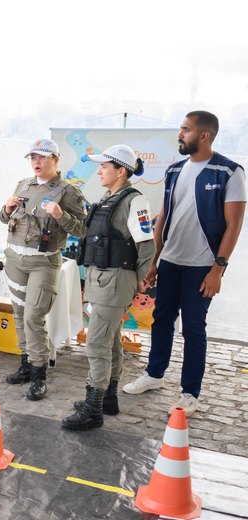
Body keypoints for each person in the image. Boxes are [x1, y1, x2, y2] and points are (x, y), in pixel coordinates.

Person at [123, 111, 246, 416]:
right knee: (161, 319)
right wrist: (153, 262)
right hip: (171, 262)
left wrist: (218, 270)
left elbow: (234, 226)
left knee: (193, 328)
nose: (180, 134)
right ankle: (154, 375)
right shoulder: (175, 169)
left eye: (185, 130)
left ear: (204, 135)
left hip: (202, 267)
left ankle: (190, 393)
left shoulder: (229, 172)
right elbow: (163, 218)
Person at [61, 145, 154, 430]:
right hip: (102, 280)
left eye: (104, 167)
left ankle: (93, 408)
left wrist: (135, 278)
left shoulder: (133, 202)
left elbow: (147, 247)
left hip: (114, 282)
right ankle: (109, 398)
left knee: (97, 344)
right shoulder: (108, 197)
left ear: (121, 170)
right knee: (111, 341)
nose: (99, 171)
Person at [0, 138, 87, 400]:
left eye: (43, 158)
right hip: (15, 257)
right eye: (33, 158)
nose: (37, 162)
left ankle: (39, 374)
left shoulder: (68, 191)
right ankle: (26, 365)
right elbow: (5, 219)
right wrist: (6, 208)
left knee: (33, 316)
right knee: (18, 313)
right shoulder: (23, 184)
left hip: (44, 260)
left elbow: (83, 230)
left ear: (56, 160)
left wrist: (61, 215)